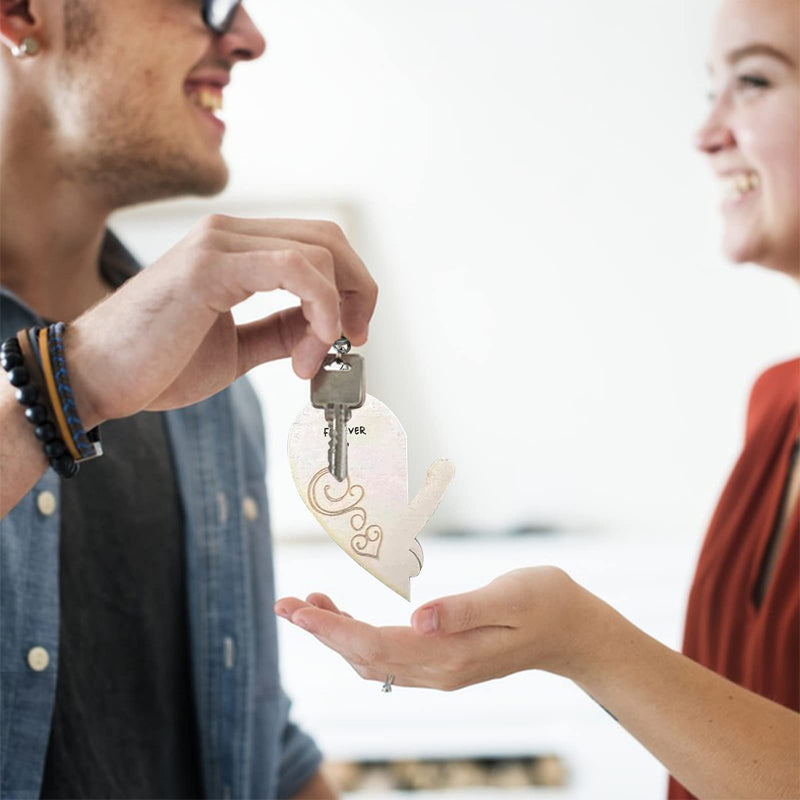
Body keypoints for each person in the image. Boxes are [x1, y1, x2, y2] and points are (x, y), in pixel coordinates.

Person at [275, 0, 800, 797]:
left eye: (755, 81)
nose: (706, 132)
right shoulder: (776, 407)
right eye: (711, 89)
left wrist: (583, 642)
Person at [0, 0, 377, 797]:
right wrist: (75, 382)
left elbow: (252, 742)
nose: (247, 36)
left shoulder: (206, 379)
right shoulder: (142, 359)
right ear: (21, 13)